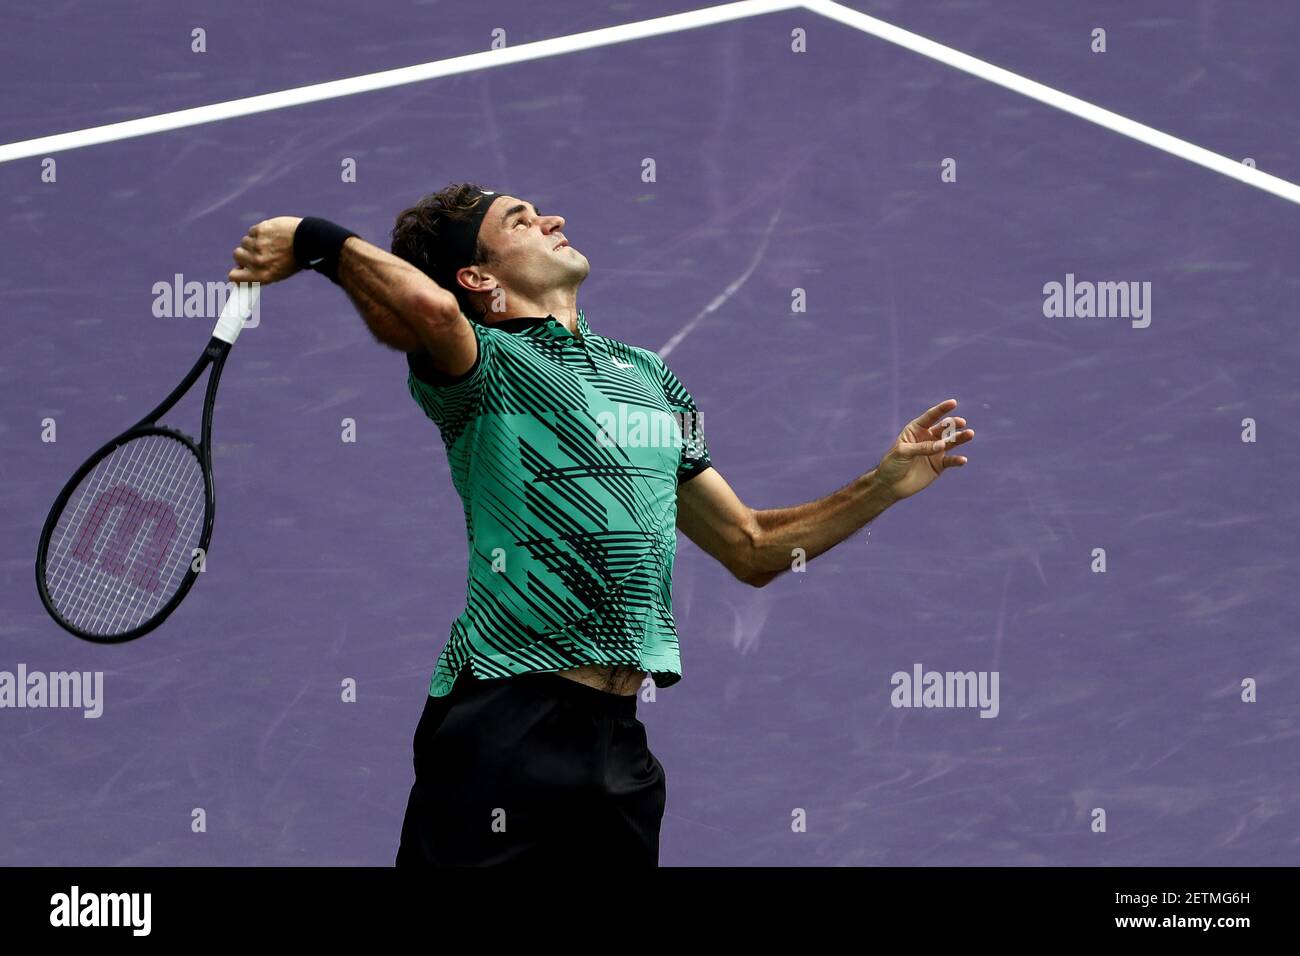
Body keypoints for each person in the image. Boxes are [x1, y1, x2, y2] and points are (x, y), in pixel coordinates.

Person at [227, 183, 975, 866]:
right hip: (505, 724)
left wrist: (880, 487)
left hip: (617, 744)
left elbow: (751, 547)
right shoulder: (479, 366)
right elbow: (428, 312)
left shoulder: (646, 376)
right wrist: (311, 237)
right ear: (479, 279)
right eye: (520, 220)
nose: (552, 218)